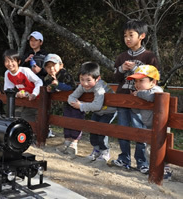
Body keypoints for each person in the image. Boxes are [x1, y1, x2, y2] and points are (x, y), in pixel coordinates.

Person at [111, 19, 159, 173]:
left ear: (142, 36)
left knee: (140, 130)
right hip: (123, 98)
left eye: (131, 35)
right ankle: (124, 159)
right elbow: (115, 77)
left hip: (141, 100)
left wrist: (137, 68)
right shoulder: (122, 57)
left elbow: (156, 76)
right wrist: (121, 69)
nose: (127, 39)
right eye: (125, 36)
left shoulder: (149, 56)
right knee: (123, 129)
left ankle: (142, 162)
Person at [126, 64, 172, 178]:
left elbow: (152, 97)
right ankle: (154, 168)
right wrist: (135, 99)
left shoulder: (156, 90)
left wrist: (139, 94)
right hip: (149, 125)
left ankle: (165, 170)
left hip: (161, 126)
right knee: (149, 150)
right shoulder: (142, 94)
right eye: (135, 81)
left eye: (141, 81)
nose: (137, 84)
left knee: (161, 148)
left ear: (153, 82)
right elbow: (136, 111)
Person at [68, 62, 116, 161]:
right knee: (92, 129)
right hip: (97, 112)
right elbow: (71, 97)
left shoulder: (99, 88)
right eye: (82, 79)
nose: (85, 83)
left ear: (97, 78)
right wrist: (74, 103)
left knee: (101, 129)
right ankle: (96, 150)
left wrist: (81, 106)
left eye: (88, 80)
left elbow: (97, 105)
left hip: (109, 112)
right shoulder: (82, 86)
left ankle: (105, 152)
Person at [43, 53, 84, 149]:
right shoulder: (47, 78)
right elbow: (54, 89)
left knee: (76, 120)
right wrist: (50, 89)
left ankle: (74, 141)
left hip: (75, 102)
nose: (51, 68)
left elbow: (72, 87)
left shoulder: (65, 74)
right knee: (66, 120)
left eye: (53, 65)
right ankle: (67, 140)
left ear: (61, 65)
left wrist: (58, 84)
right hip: (65, 103)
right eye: (48, 67)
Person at [3, 49, 43, 121]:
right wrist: (16, 94)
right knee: (15, 115)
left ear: (18, 62)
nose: (9, 64)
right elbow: (8, 90)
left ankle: (47, 131)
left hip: (37, 98)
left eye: (12, 61)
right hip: (26, 99)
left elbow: (39, 82)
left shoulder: (25, 71)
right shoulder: (7, 73)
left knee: (26, 117)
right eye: (7, 61)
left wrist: (34, 94)